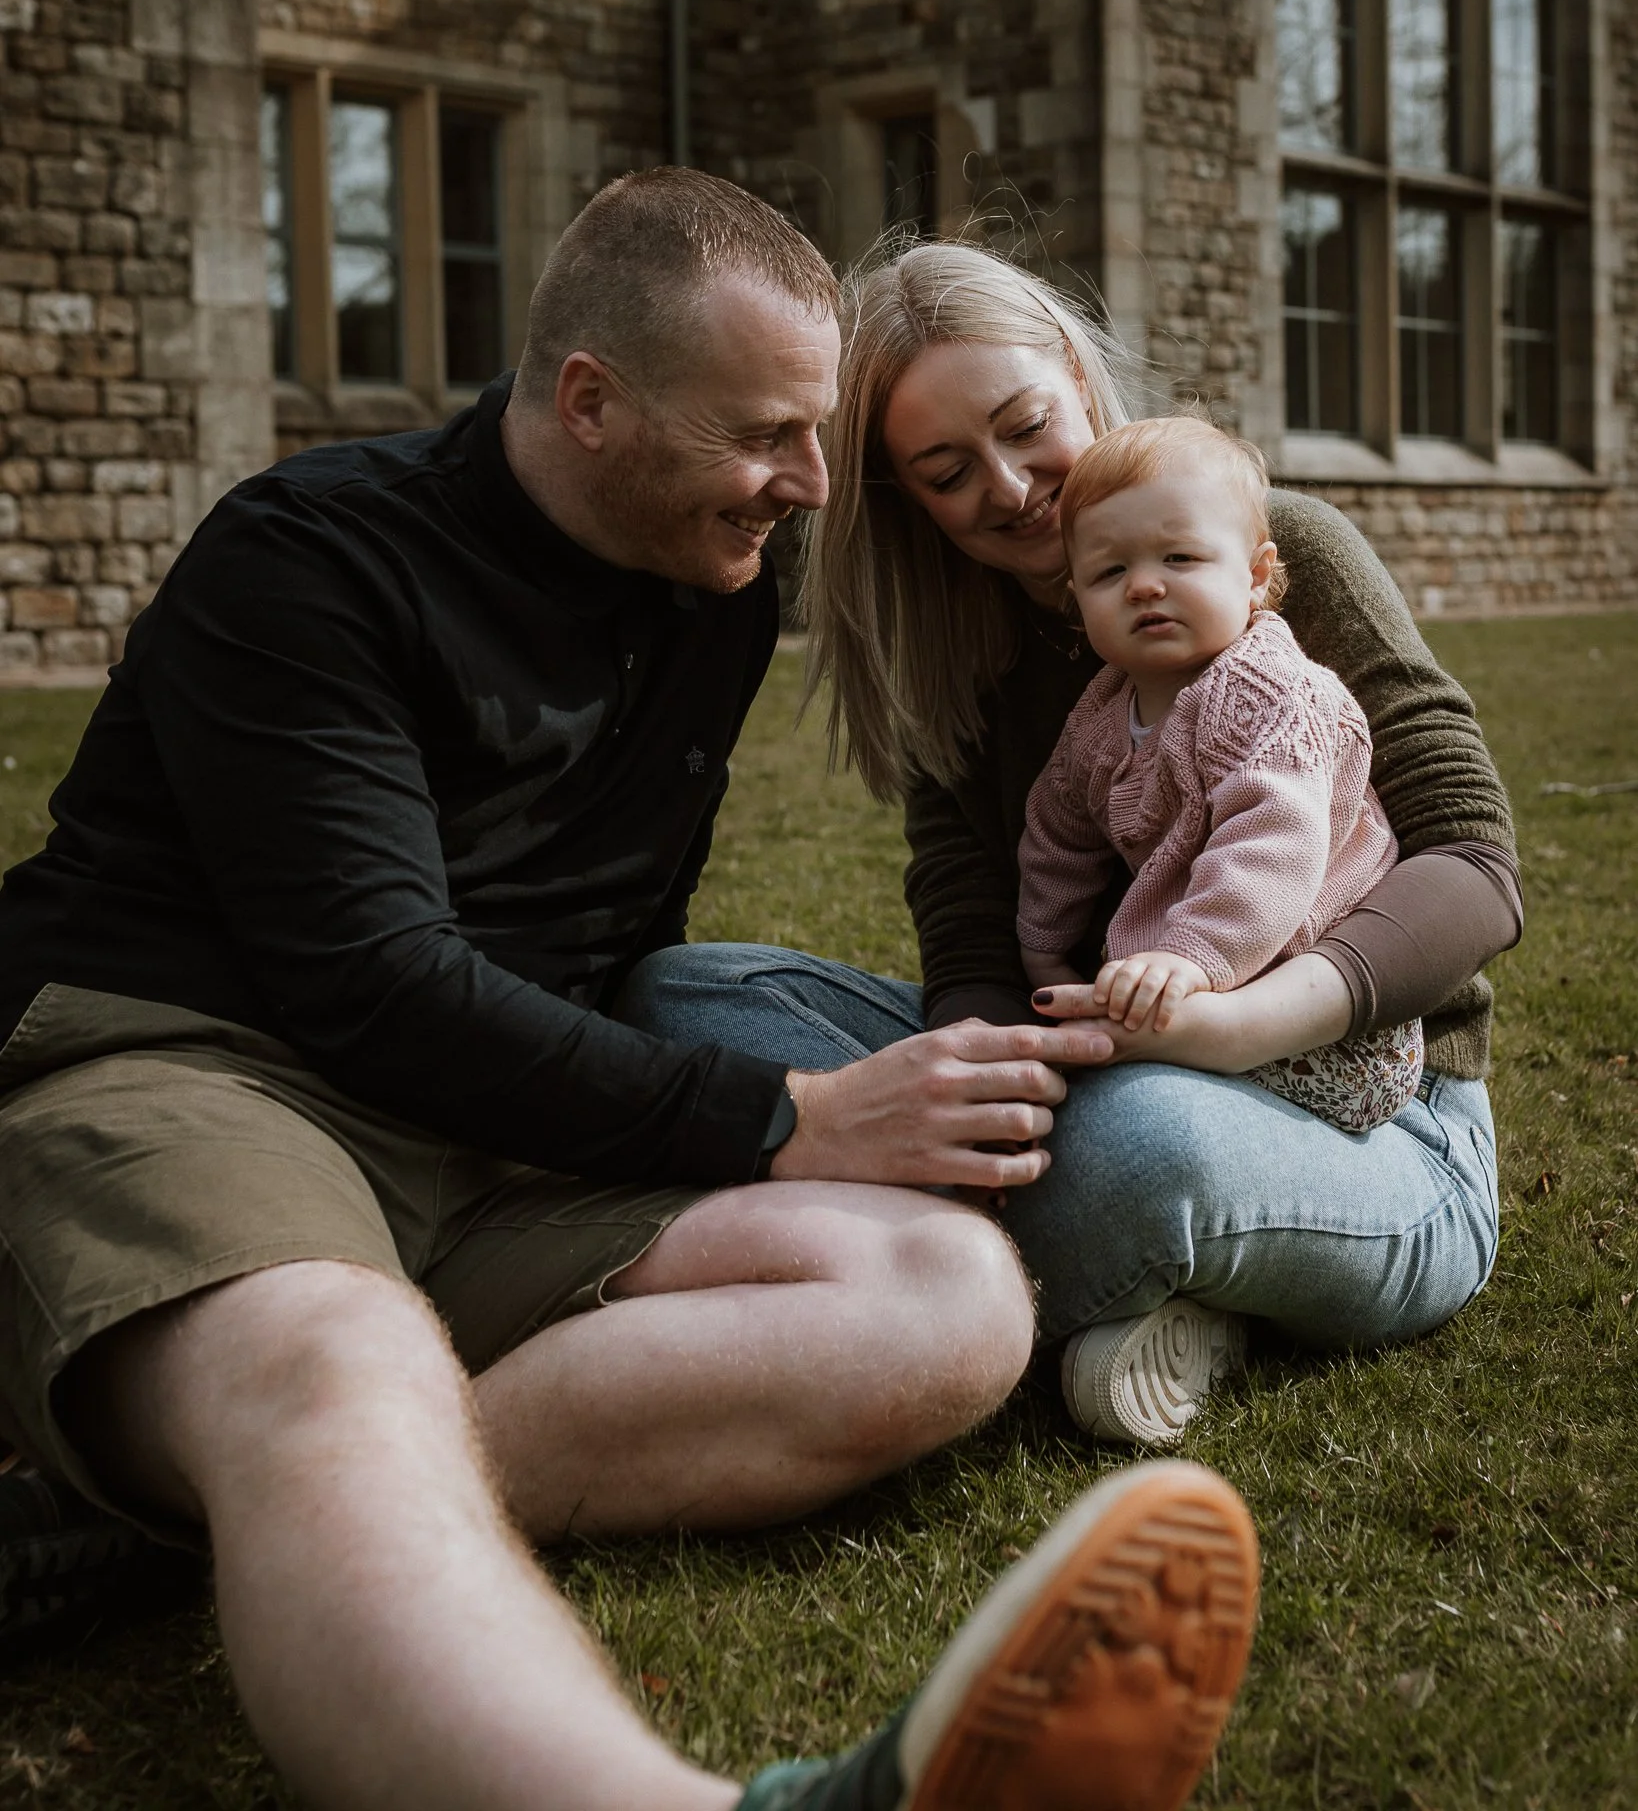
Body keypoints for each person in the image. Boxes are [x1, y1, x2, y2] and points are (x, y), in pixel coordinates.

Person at [0, 172, 1259, 1811]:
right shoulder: (310, 554)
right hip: (208, 1073)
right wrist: (781, 1113)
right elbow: (367, 981)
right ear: (591, 402)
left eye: (816, 435)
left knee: (949, 1301)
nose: (813, 483)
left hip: (503, 1133)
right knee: (336, 1356)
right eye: (765, 435)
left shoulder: (703, 582)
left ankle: (288, 1511)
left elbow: (610, 923)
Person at [625, 239, 1521, 1450]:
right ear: (909, 502)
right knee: (685, 997)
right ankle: (1062, 1262)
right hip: (1094, 1048)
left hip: (1367, 1114)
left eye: (1025, 424)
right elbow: (974, 923)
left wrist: (1233, 1020)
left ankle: (892, 1258)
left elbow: (1474, 865)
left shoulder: (1268, 549)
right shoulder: (955, 644)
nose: (1006, 485)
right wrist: (987, 1093)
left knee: (1139, 1146)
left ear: (1078, 376)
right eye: (947, 471)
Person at [1015, 412, 1424, 1140]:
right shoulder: (1102, 713)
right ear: (1077, 597)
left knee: (1120, 1109)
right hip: (1195, 983)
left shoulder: (1267, 690)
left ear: (1257, 575)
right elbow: (1056, 831)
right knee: (1098, 1100)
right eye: (1111, 571)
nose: (1144, 587)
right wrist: (1043, 945)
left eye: (1180, 559)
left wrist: (1188, 956)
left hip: (1332, 1023)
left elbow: (1273, 846)